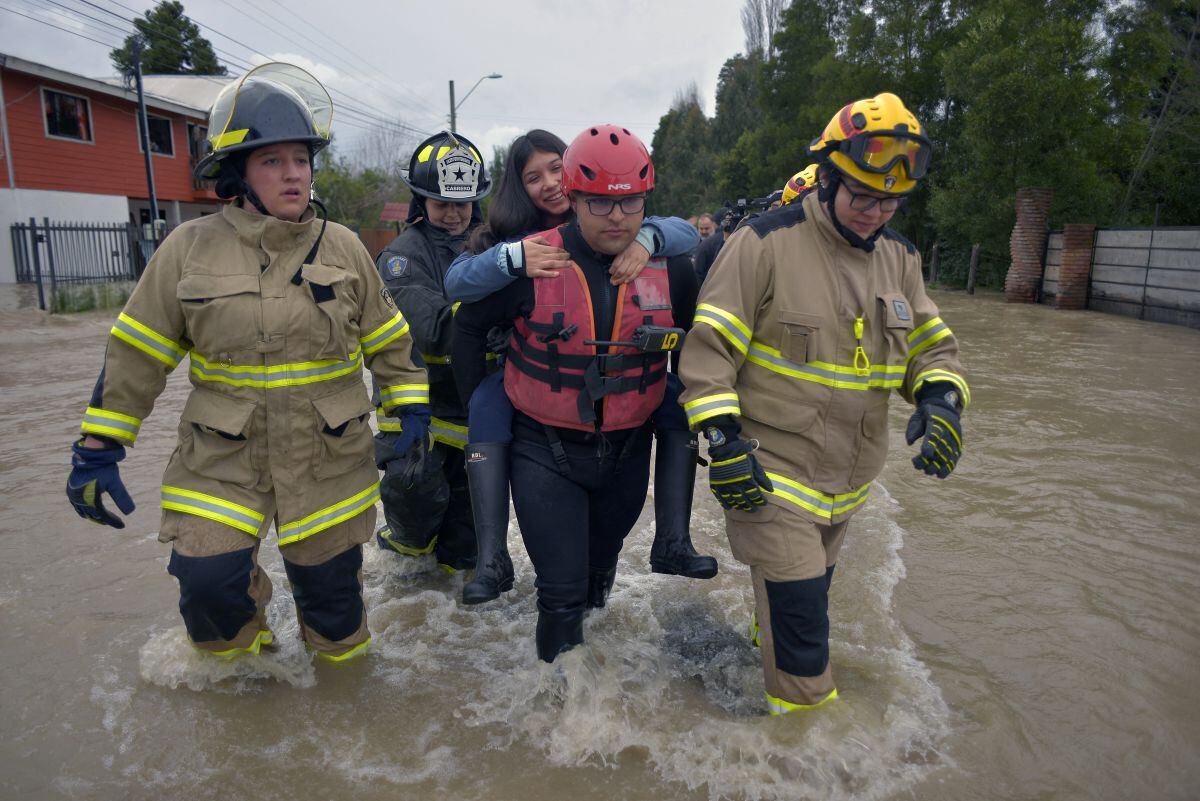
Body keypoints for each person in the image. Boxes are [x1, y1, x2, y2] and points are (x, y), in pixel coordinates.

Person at [64, 63, 430, 662]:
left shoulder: (343, 246)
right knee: (208, 590)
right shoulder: (188, 248)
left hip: (327, 457)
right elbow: (137, 352)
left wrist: (409, 413)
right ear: (238, 173)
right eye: (272, 161)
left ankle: (334, 713)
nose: (293, 174)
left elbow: (390, 341)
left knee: (335, 617)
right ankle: (251, 685)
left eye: (301, 160)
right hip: (221, 457)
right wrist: (100, 445)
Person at [678, 92, 970, 714]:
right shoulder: (762, 244)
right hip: (770, 482)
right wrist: (724, 442)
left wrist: (942, 399)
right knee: (809, 663)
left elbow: (930, 346)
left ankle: (767, 652)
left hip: (845, 489)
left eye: (890, 202)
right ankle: (805, 755)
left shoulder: (903, 258)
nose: (875, 213)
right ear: (830, 177)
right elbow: (707, 357)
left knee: (798, 612)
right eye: (862, 196)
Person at [452, 125, 699, 662]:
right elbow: (464, 313)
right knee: (561, 596)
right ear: (578, 199)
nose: (616, 217)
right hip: (544, 439)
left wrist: (650, 238)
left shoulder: (664, 257)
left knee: (595, 580)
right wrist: (488, 391)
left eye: (629, 204)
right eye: (601, 205)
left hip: (627, 445)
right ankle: (557, 722)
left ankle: (673, 540)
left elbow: (698, 328)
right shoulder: (521, 254)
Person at [372, 131, 495, 582]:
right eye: (441, 203)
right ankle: (401, 568)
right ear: (419, 201)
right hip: (416, 413)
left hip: (470, 412)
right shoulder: (402, 258)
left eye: (462, 203)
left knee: (465, 546)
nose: (453, 213)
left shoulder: (491, 246)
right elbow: (434, 330)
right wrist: (497, 313)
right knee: (415, 504)